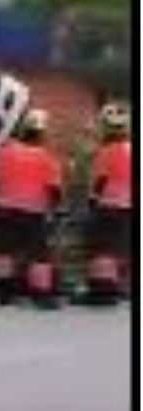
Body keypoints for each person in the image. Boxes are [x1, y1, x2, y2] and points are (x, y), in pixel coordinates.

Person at [0, 109, 66, 309]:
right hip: (34, 212)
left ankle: (4, 293)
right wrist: (56, 209)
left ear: (22, 130)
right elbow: (54, 189)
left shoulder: (5, 152)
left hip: (4, 208)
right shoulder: (49, 158)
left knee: (4, 250)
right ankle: (41, 295)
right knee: (39, 253)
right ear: (43, 133)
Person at [82, 103, 133, 306]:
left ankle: (103, 292)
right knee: (124, 246)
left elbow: (100, 180)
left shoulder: (107, 151)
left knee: (103, 248)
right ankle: (123, 288)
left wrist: (92, 200)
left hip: (110, 204)